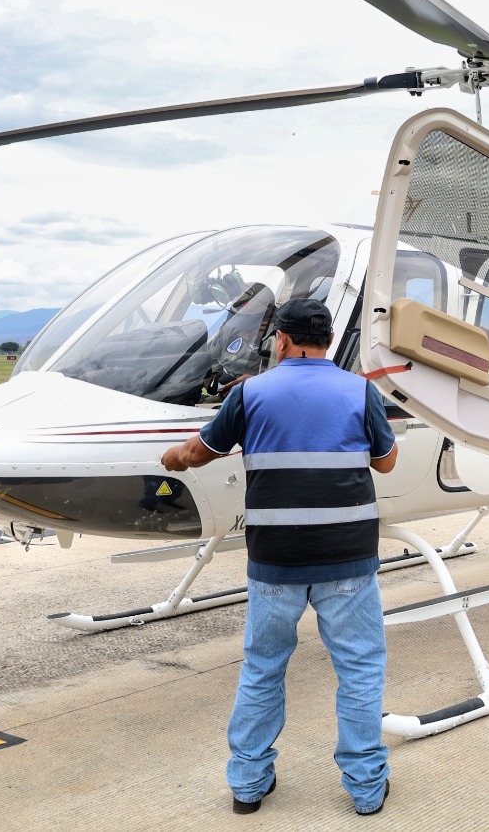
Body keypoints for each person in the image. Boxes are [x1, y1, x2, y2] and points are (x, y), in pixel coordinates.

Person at [160, 297, 398, 816]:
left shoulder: (250, 393)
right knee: (359, 669)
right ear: (329, 342)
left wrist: (171, 457)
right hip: (348, 558)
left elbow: (196, 454)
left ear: (282, 340)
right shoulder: (361, 391)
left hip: (275, 561)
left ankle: (248, 784)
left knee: (263, 667)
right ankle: (365, 788)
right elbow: (386, 461)